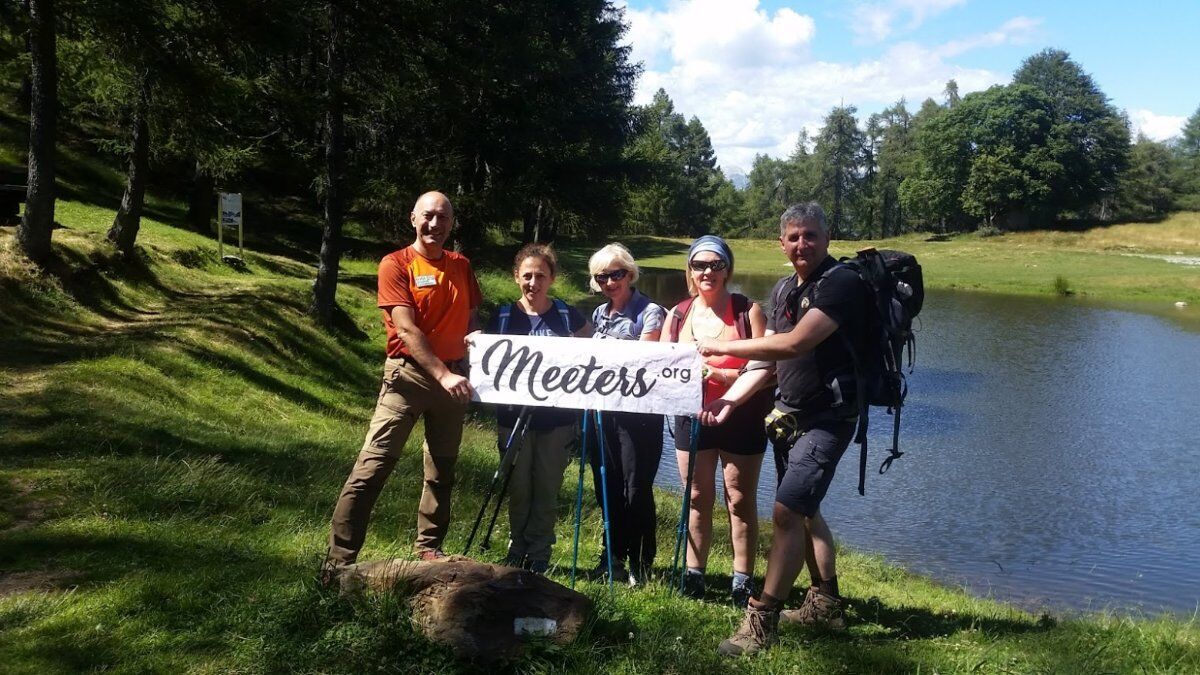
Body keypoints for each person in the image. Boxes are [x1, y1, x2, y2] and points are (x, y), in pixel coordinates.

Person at [697, 202, 873, 656]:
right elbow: (768, 362)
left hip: (829, 420)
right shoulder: (783, 291)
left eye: (810, 235)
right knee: (806, 511)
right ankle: (826, 604)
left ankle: (761, 620)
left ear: (827, 238)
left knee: (786, 514)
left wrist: (720, 345)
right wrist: (731, 398)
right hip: (787, 416)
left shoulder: (842, 284)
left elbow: (796, 342)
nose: (802, 244)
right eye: (793, 237)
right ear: (781, 243)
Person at [323, 191, 482, 579]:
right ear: (413, 218)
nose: (435, 225)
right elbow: (406, 329)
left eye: (443, 218)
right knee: (372, 467)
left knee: (442, 470)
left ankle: (429, 549)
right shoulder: (395, 264)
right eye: (428, 216)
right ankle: (338, 561)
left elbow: (473, 321)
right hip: (407, 377)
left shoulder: (461, 265)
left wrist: (476, 365)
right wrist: (442, 375)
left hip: (453, 380)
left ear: (451, 223)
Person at [660, 235, 770, 607]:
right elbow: (661, 369)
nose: (707, 272)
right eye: (699, 265)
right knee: (696, 497)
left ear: (727, 269)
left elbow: (765, 368)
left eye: (715, 265)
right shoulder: (676, 315)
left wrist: (723, 379)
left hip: (742, 416)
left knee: (739, 500)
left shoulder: (747, 310)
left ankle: (742, 580)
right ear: (689, 270)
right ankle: (694, 574)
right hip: (691, 419)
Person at [486, 243, 589, 574]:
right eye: (527, 276)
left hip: (557, 420)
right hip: (512, 418)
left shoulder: (566, 314)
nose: (534, 283)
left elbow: (596, 351)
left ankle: (540, 552)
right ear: (516, 277)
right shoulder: (502, 317)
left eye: (540, 276)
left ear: (552, 279)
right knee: (518, 486)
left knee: (546, 486)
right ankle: (517, 548)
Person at [587, 243, 666, 586]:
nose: (609, 282)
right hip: (603, 413)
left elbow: (644, 361)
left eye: (616, 274)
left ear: (630, 273)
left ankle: (641, 561)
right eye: (602, 276)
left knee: (636, 488)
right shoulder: (598, 315)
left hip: (640, 416)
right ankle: (612, 555)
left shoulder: (650, 312)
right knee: (607, 485)